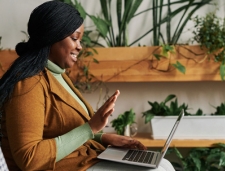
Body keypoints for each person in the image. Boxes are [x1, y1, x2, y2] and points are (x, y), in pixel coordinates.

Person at [0, 1, 175, 171]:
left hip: (84, 159)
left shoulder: (57, 75)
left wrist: (103, 137)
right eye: (75, 38)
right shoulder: (28, 83)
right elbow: (29, 158)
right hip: (67, 166)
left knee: (164, 164)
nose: (80, 46)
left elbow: (62, 131)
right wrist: (91, 128)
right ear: (52, 36)